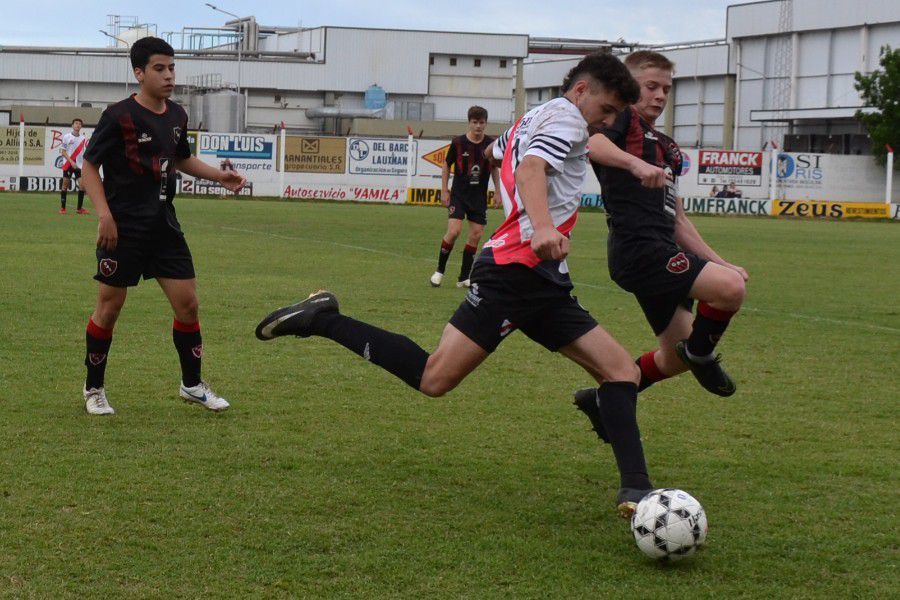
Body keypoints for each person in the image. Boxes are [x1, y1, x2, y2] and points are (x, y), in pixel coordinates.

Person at [256, 52, 654, 517]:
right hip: (516, 271)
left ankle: (637, 490)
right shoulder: (566, 120)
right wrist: (541, 227)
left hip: (538, 277)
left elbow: (496, 154)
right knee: (435, 378)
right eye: (605, 110)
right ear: (582, 90)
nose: (605, 121)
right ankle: (324, 320)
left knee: (621, 371)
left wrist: (524, 212)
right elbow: (528, 170)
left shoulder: (533, 118)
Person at [575, 50, 748, 436]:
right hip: (639, 252)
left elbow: (678, 219)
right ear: (629, 84)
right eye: (651, 86)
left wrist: (723, 262)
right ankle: (702, 353)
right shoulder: (619, 120)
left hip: (664, 250)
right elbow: (593, 146)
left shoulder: (665, 145)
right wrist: (636, 165)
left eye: (666, 88)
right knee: (728, 292)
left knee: (673, 359)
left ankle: (603, 399)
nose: (660, 95)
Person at [79, 36, 246, 415]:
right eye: (159, 68)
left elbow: (182, 159)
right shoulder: (118, 116)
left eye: (172, 67)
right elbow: (89, 166)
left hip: (163, 224)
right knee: (110, 307)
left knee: (188, 304)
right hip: (123, 227)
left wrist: (219, 178)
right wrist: (104, 214)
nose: (169, 75)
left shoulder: (177, 116)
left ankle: (192, 385)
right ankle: (94, 389)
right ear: (139, 73)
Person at [430, 106, 501, 288]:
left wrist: (498, 192)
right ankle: (439, 271)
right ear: (469, 123)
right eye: (475, 122)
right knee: (454, 231)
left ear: (486, 123)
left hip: (478, 198)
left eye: (481, 122)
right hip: (459, 195)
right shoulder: (458, 143)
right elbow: (446, 166)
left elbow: (494, 168)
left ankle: (463, 277)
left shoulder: (491, 145)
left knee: (476, 235)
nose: (478, 126)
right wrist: (444, 190)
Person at [59, 118, 88, 214]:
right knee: (65, 185)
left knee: (82, 185)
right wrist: (71, 162)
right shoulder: (67, 137)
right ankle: (63, 208)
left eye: (79, 124)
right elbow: (63, 152)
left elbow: (84, 152)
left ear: (81, 126)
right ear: (72, 125)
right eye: (76, 123)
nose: (78, 125)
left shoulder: (83, 138)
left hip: (79, 165)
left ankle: (79, 209)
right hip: (68, 164)